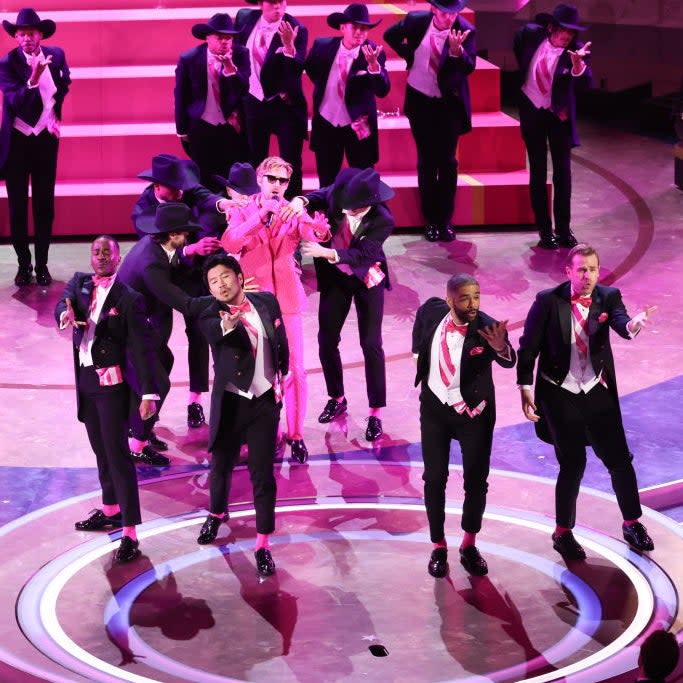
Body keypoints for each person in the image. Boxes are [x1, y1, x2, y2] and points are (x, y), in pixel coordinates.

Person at [517, 244, 657, 559]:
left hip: (595, 387)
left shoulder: (608, 297)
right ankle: (563, 532)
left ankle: (632, 522)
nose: (588, 275)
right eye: (581, 269)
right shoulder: (547, 302)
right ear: (568, 272)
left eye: (593, 269)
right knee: (573, 463)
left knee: (620, 459)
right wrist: (525, 388)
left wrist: (632, 326)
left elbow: (621, 322)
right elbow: (528, 348)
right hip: (558, 391)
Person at [55, 236, 161, 563]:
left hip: (112, 385)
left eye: (107, 253)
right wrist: (64, 315)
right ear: (91, 258)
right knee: (100, 450)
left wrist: (148, 391)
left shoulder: (129, 299)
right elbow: (63, 303)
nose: (101, 257)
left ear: (118, 258)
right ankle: (111, 509)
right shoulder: (80, 283)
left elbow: (142, 349)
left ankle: (129, 530)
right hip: (86, 381)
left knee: (117, 455)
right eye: (96, 252)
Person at [221, 156, 330, 463]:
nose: (278, 186)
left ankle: (295, 434)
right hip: (254, 299)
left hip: (287, 299)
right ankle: (259, 433)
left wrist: (316, 225)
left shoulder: (292, 210)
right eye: (272, 179)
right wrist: (259, 216)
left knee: (295, 369)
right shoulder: (242, 209)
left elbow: (315, 234)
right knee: (256, 370)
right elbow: (229, 243)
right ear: (260, 179)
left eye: (283, 181)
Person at [412, 274, 515, 578]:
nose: (473, 304)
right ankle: (438, 545)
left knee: (475, 481)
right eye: (465, 298)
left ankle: (469, 544)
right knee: (434, 478)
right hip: (434, 412)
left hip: (475, 415)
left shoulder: (487, 326)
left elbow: (509, 360)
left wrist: (501, 349)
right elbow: (420, 333)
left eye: (477, 297)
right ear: (449, 300)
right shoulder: (431, 312)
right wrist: (421, 358)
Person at [197, 253, 289, 577]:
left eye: (224, 277)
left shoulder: (266, 302)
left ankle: (263, 543)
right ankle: (217, 513)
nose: (220, 285)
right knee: (220, 467)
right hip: (231, 404)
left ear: (238, 276)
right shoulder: (210, 315)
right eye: (213, 282)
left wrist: (282, 376)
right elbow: (214, 332)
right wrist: (226, 325)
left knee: (262, 476)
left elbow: (280, 340)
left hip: (264, 405)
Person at [132, 153, 225, 430]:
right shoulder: (141, 211)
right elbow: (158, 253)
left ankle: (195, 399)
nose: (181, 191)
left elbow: (208, 198)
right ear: (157, 187)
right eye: (174, 187)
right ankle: (149, 405)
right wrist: (190, 249)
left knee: (198, 334)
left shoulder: (184, 190)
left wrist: (224, 204)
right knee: (158, 340)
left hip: (189, 274)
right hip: (158, 280)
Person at [301, 167, 394, 442]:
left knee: (371, 344)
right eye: (346, 206)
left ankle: (375, 412)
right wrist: (301, 201)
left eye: (355, 209)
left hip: (366, 276)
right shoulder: (341, 192)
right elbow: (320, 195)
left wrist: (325, 252)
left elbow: (361, 253)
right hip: (336, 279)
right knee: (326, 339)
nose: (347, 211)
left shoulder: (382, 220)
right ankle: (337, 397)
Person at [117, 203, 209, 466]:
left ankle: (140, 427)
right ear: (172, 234)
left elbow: (175, 263)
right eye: (185, 233)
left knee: (164, 363)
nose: (188, 238)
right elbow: (181, 301)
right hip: (129, 334)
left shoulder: (156, 246)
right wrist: (218, 303)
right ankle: (137, 445)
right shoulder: (151, 264)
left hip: (141, 327)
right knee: (156, 385)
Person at [384, 0, 474, 243]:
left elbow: (469, 67)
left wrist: (457, 52)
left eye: (454, 13)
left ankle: (445, 220)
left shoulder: (464, 30)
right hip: (420, 100)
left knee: (446, 162)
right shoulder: (416, 21)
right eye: (445, 13)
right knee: (426, 161)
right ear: (434, 9)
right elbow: (389, 34)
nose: (449, 18)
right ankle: (430, 221)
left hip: (448, 105)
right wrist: (409, 56)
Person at [0, 8, 70, 287]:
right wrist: (32, 79)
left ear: (40, 35)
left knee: (45, 205)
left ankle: (42, 265)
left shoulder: (58, 55)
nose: (27, 38)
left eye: (32, 33)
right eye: (22, 34)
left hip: (45, 141)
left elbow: (64, 84)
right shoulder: (7, 63)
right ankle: (23, 264)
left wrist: (55, 115)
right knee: (18, 207)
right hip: (17, 141)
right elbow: (14, 101)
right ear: (15, 37)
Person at [513, 3, 591, 250]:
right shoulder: (529, 35)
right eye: (563, 30)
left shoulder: (576, 52)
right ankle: (545, 231)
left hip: (559, 118)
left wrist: (578, 69)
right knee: (537, 172)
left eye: (571, 32)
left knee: (562, 175)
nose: (567, 36)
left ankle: (563, 229)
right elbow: (518, 50)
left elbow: (586, 84)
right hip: (533, 112)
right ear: (550, 27)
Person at [304, 3, 390, 188]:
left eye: (364, 28)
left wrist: (374, 68)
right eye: (355, 27)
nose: (360, 32)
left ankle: (365, 218)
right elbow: (311, 70)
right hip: (326, 122)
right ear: (342, 27)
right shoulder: (322, 46)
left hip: (358, 126)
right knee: (326, 183)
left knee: (363, 183)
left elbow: (383, 90)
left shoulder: (373, 53)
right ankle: (327, 217)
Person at [234, 0, 308, 198]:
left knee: (290, 163)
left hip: (285, 106)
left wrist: (289, 46)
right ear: (261, 3)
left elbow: (296, 70)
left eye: (282, 2)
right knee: (254, 161)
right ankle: (255, 213)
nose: (278, 7)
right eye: (273, 2)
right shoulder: (244, 19)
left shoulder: (296, 27)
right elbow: (236, 54)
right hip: (253, 102)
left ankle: (292, 215)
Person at [174, 13, 250, 193]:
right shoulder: (189, 58)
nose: (225, 41)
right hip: (201, 125)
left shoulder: (240, 54)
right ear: (208, 37)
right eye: (220, 37)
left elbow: (243, 90)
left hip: (232, 127)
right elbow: (181, 95)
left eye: (229, 37)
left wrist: (230, 68)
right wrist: (182, 130)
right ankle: (207, 218)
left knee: (233, 179)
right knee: (204, 178)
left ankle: (234, 219)